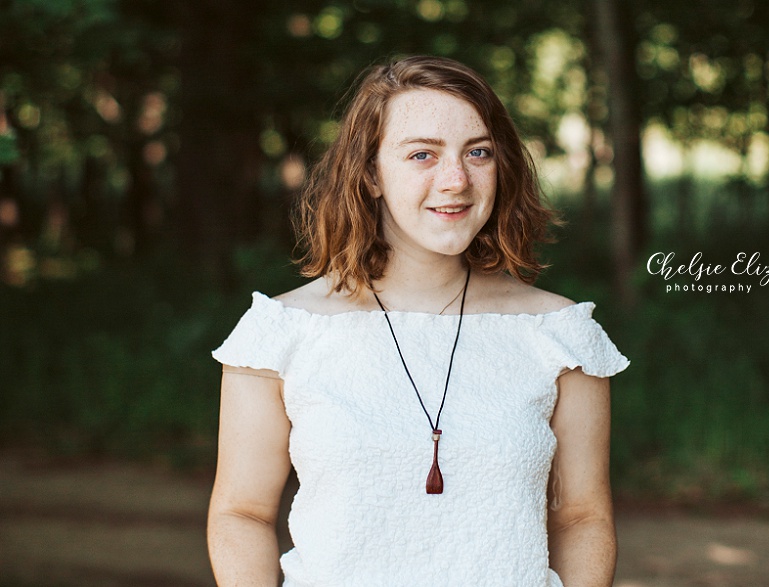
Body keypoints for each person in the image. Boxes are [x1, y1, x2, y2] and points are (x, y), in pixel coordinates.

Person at [208, 55, 629, 587]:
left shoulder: (559, 335)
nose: (456, 180)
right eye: (422, 155)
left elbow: (582, 517)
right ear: (370, 174)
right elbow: (241, 513)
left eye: (478, 152)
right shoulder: (283, 333)